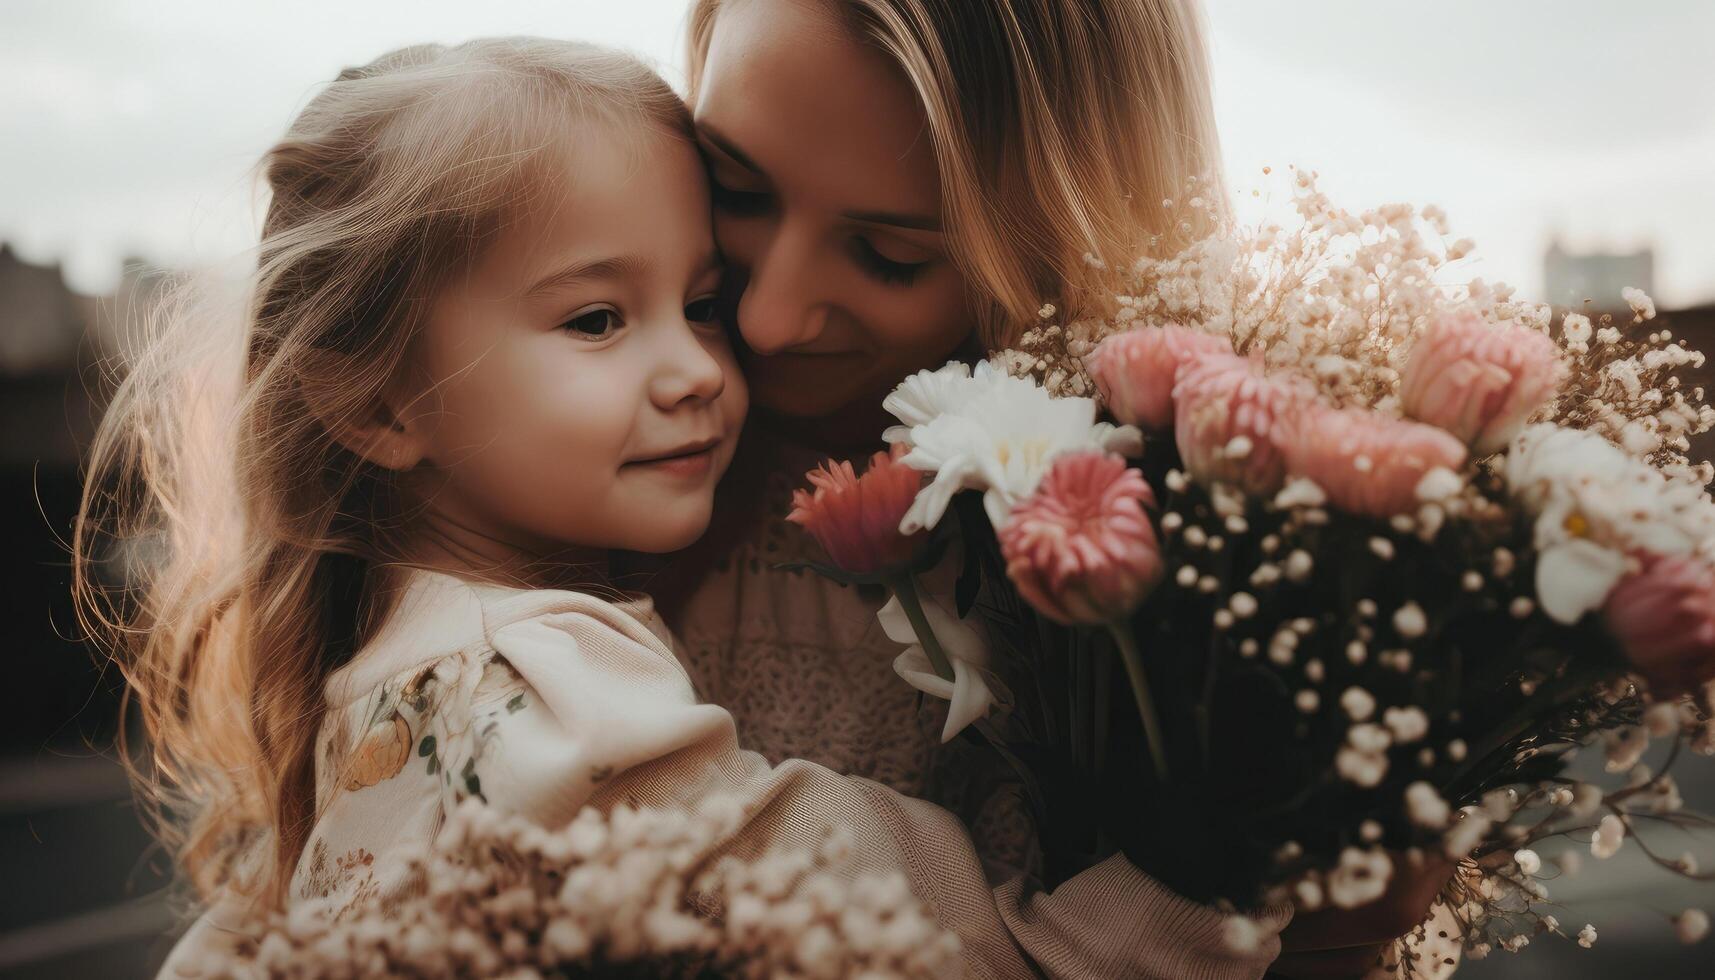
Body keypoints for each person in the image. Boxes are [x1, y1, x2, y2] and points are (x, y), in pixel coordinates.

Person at [75, 36, 1285, 979]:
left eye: (700, 300)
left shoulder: (386, 663)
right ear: (378, 404)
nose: (710, 362)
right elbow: (940, 946)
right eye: (596, 318)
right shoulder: (553, 696)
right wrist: (1201, 889)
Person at [666, 1, 1442, 975]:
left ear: (1056, 241)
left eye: (890, 255)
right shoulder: (579, 434)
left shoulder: (1194, 552)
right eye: (734, 186)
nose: (770, 317)